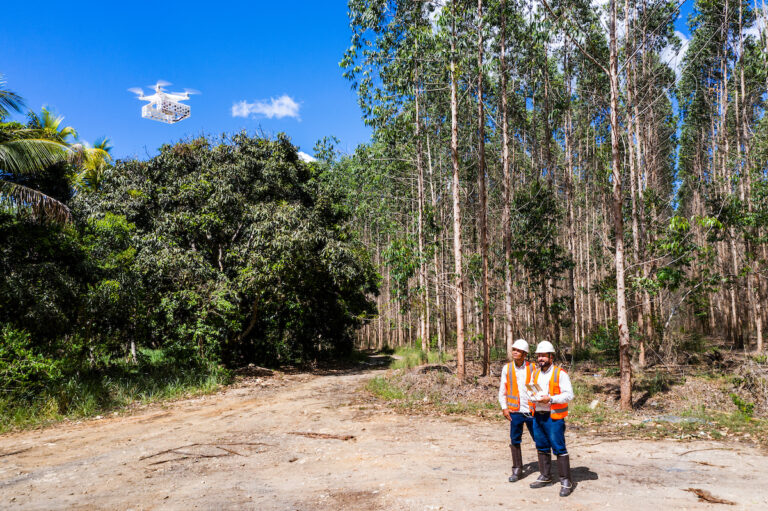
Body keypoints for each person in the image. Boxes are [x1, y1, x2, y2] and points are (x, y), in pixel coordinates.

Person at [528, 341, 575, 497]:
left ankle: (566, 481)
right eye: (538, 356)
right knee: (541, 446)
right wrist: (533, 397)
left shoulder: (559, 373)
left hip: (553, 416)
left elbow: (569, 394)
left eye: (543, 355)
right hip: (538, 415)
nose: (540, 358)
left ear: (551, 356)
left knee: (559, 448)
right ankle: (545, 476)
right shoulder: (535, 373)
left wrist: (551, 399)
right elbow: (531, 390)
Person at [497, 339, 535, 483]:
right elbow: (503, 390)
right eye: (514, 349)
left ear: (524, 354)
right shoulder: (507, 368)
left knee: (539, 439)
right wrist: (504, 407)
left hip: (531, 411)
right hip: (515, 411)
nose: (514, 352)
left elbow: (536, 388)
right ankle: (517, 469)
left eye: (518, 350)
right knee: (515, 439)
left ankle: (545, 470)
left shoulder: (532, 368)